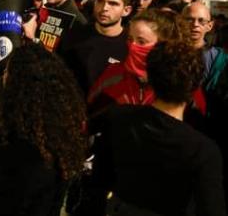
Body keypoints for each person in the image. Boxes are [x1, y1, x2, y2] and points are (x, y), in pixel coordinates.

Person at [86, 41, 226, 215]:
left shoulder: (118, 117)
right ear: (195, 86)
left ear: (151, 77)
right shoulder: (203, 151)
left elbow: (99, 181)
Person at [0, 43, 87, 215]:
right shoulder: (59, 138)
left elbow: (1, 200)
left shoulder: (16, 144)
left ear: (20, 83)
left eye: (8, 72)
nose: (4, 77)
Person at [59, 0, 132, 95]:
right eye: (100, 1)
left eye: (113, 3)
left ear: (126, 10)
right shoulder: (74, 35)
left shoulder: (130, 46)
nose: (104, 8)